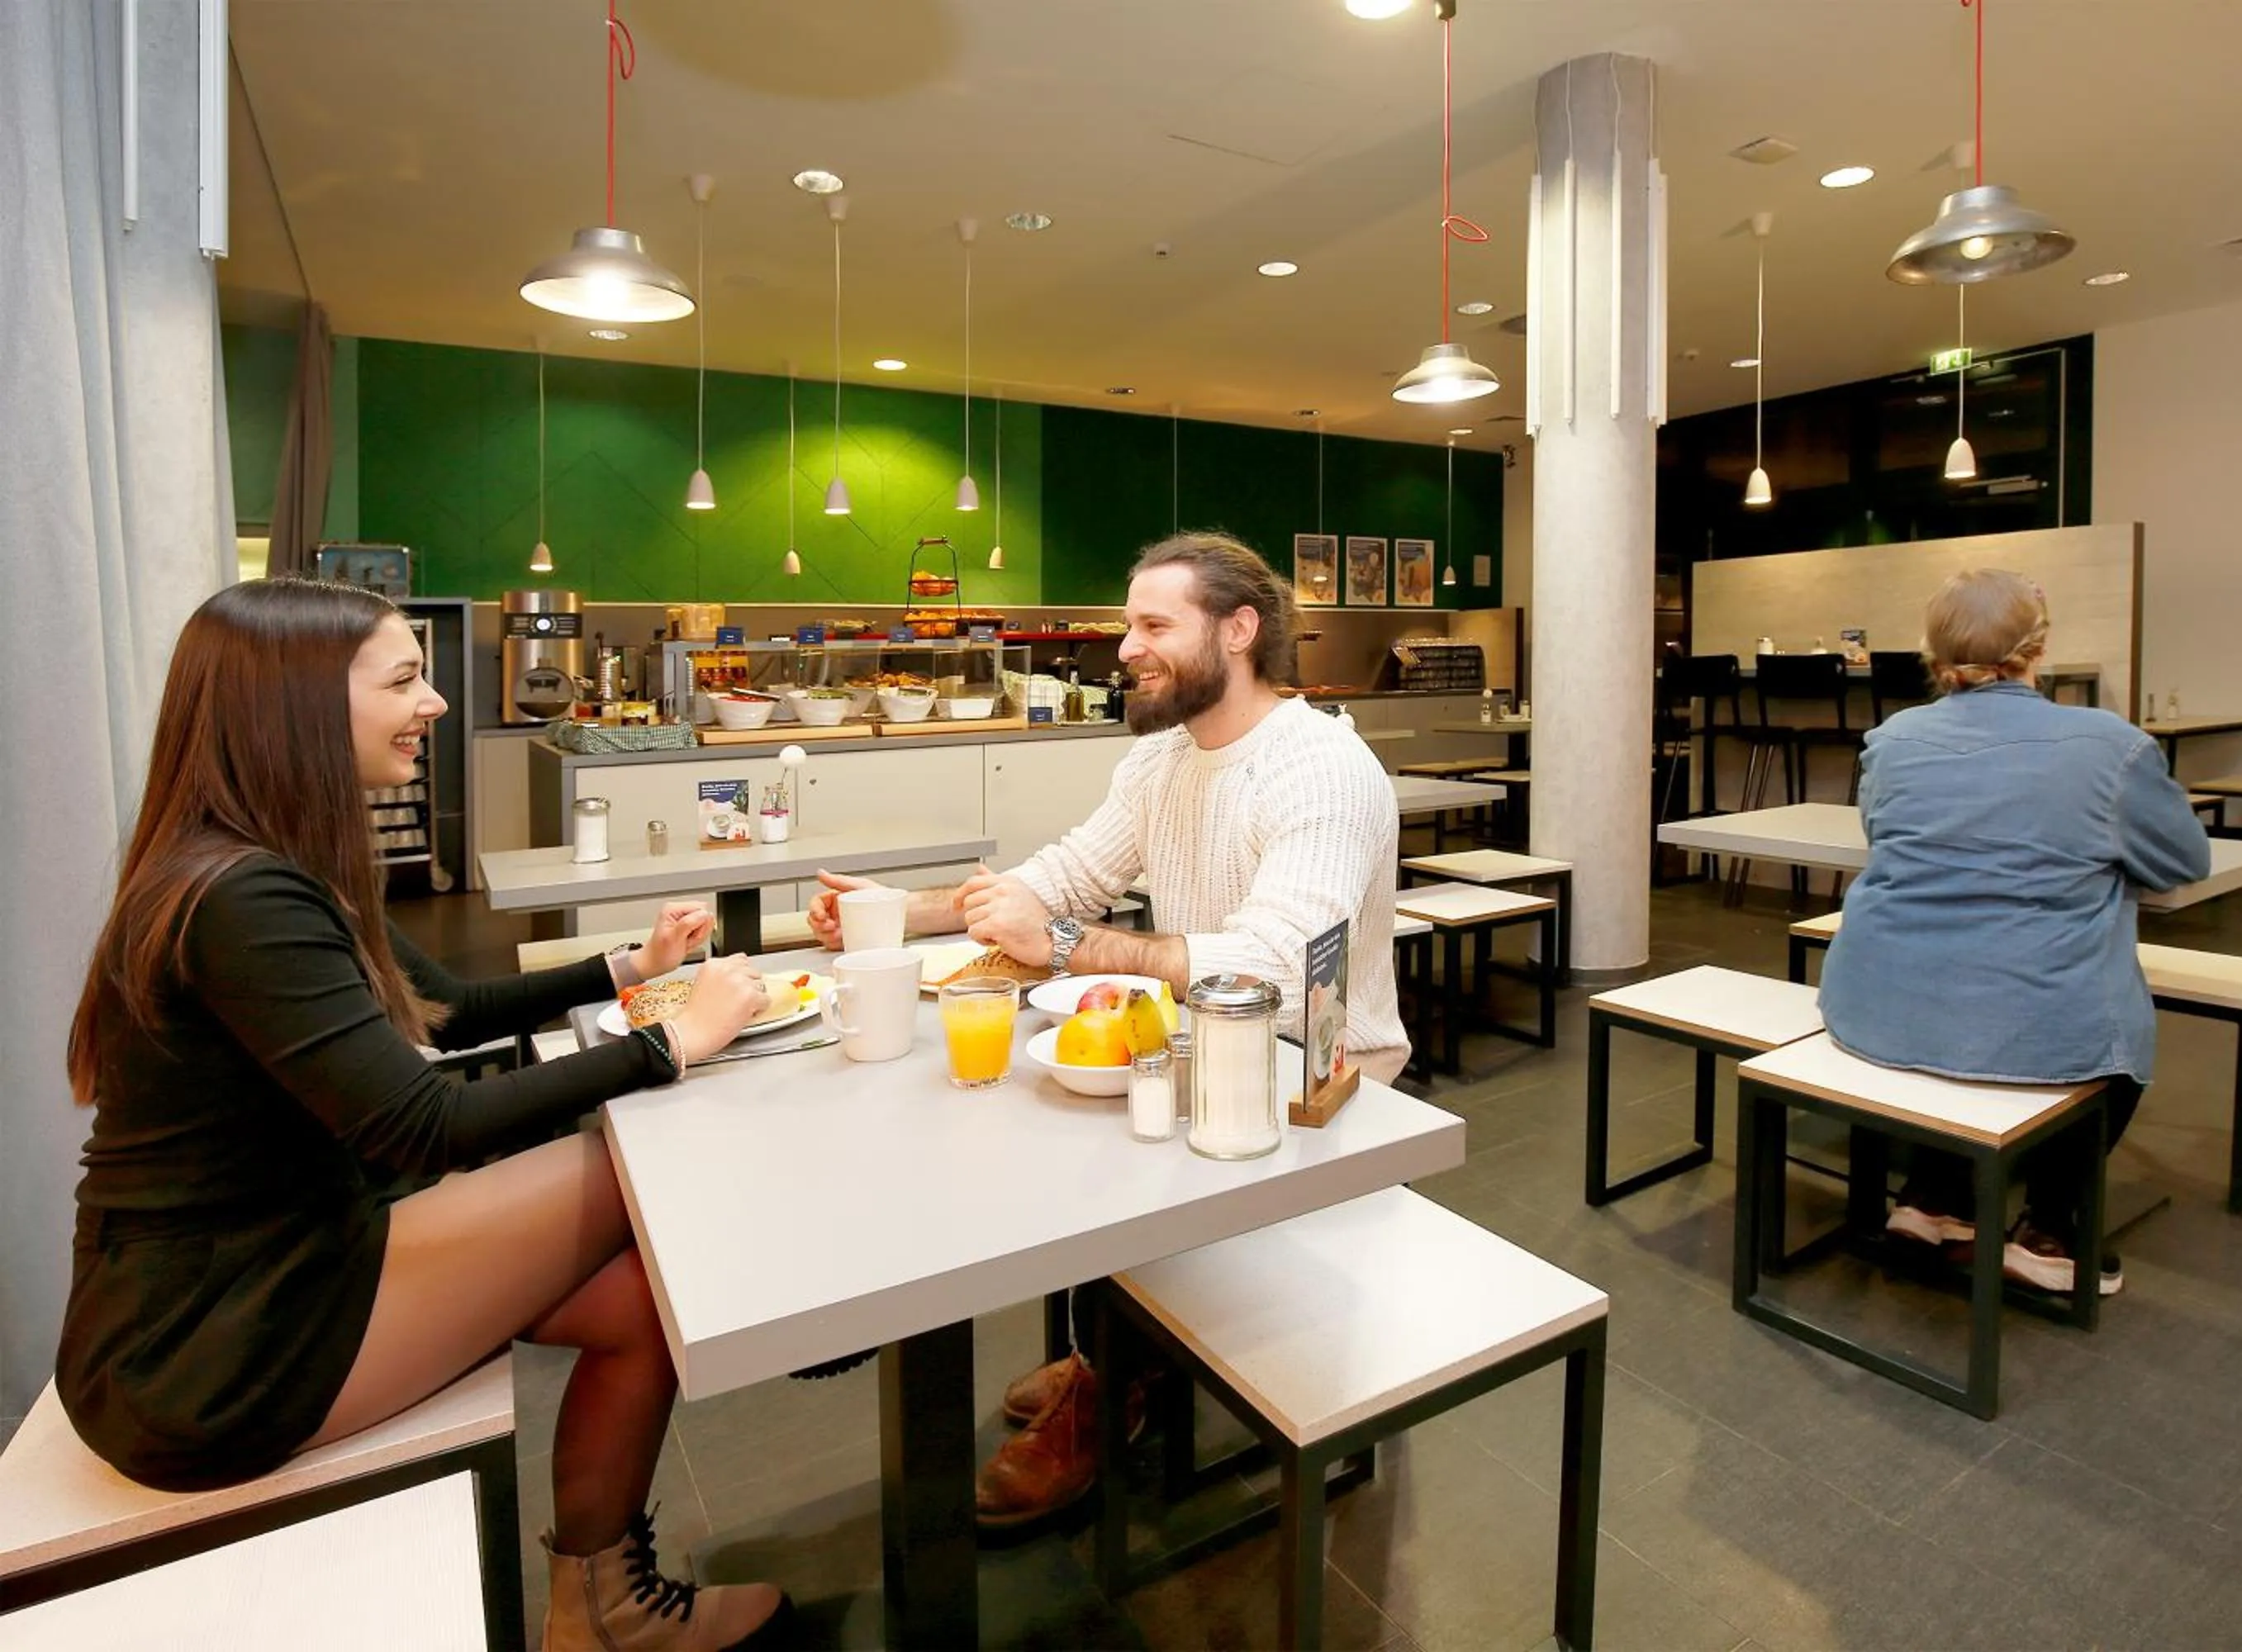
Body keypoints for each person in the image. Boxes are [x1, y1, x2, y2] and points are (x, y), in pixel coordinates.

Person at [59, 579, 786, 1651]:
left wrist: (629, 967)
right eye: (404, 680)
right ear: (298, 706)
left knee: (637, 1299)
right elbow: (421, 1126)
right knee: (630, 1180)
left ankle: (604, 1610)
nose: (437, 703)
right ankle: (815, 1334)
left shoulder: (274, 868)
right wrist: (670, 1042)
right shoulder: (241, 900)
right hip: (209, 1344)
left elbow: (444, 1015)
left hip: (285, 1257)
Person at [807, 530, 1408, 1527]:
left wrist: (1072, 948)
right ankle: (1113, 1353)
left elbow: (1275, 966)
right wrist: (901, 911)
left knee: (1090, 1148)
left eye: (1152, 624)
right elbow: (1063, 878)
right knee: (1065, 1121)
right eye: (1127, 623)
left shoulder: (1319, 769)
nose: (1123, 646)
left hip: (1318, 1082)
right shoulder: (1163, 761)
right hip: (1198, 1046)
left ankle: (1115, 1379)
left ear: (1241, 630)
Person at [1817, 569, 2211, 1298]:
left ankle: (1935, 1200)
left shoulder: (1892, 738)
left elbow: (1887, 834)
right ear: (2039, 646)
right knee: (2108, 1042)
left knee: (1960, 999)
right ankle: (2051, 1231)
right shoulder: (2110, 746)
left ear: (1932, 654)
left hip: (1872, 1009)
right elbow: (2183, 861)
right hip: (2035, 1023)